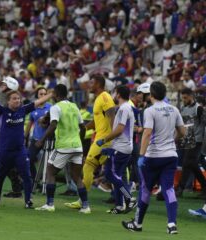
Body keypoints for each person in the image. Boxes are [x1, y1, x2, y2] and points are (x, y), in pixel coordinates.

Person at [0, 79, 53, 208]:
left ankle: (28, 201)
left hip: (19, 151)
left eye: (18, 98)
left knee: (27, 176)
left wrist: (53, 93)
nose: (17, 100)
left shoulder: (23, 110)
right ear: (8, 101)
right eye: (14, 99)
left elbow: (40, 101)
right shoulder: (2, 110)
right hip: (5, 151)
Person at [122, 81, 186, 234]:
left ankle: (137, 224)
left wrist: (142, 155)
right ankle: (171, 225)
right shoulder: (174, 109)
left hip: (153, 157)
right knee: (168, 189)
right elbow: (183, 132)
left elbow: (147, 133)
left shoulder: (150, 111)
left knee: (145, 189)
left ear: (151, 94)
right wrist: (172, 140)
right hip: (170, 155)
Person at [34, 84, 90, 213]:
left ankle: (49, 204)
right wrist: (79, 142)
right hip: (77, 146)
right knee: (77, 176)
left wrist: (42, 140)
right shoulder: (74, 107)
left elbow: (53, 125)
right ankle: (86, 206)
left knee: (50, 171)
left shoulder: (56, 107)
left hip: (63, 146)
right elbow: (83, 127)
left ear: (56, 95)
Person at [65, 75, 115, 209]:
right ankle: (123, 199)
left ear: (98, 84)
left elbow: (112, 116)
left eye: (91, 83)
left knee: (88, 167)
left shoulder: (105, 97)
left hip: (103, 140)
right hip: (103, 139)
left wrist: (111, 137)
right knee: (113, 171)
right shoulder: (99, 99)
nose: (89, 85)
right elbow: (97, 121)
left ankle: (83, 200)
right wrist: (82, 127)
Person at [96, 85, 137, 214]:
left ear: (118, 94)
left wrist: (105, 140)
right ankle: (120, 205)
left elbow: (119, 129)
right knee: (117, 176)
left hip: (121, 148)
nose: (113, 95)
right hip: (123, 146)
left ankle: (129, 198)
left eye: (114, 93)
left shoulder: (124, 109)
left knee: (109, 174)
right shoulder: (125, 108)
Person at [176, 88, 206, 197]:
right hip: (187, 140)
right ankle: (204, 186)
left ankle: (180, 188)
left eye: (185, 97)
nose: (183, 100)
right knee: (192, 164)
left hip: (197, 140)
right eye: (183, 98)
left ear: (191, 96)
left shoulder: (199, 109)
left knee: (186, 163)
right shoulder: (183, 108)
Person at [25, 87, 52, 183]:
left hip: (48, 140)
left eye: (45, 94)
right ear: (37, 95)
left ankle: (47, 184)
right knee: (28, 159)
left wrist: (45, 122)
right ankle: (34, 180)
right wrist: (25, 136)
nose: (43, 96)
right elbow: (30, 122)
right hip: (36, 139)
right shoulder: (33, 108)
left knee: (49, 164)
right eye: (41, 94)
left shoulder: (50, 107)